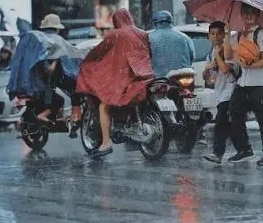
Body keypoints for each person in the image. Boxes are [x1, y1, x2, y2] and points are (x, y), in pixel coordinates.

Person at [75, 9, 155, 158]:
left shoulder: (115, 35)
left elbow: (98, 53)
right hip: (144, 77)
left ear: (116, 21)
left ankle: (106, 143)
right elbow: (149, 54)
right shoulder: (142, 33)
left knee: (104, 105)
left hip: (124, 80)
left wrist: (87, 62)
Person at [224, 3, 263, 166]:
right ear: (241, 15)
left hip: (261, 83)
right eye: (245, 13)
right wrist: (227, 33)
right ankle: (244, 150)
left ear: (256, 16)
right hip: (243, 83)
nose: (248, 16)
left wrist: (249, 65)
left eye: (252, 13)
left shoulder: (262, 34)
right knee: (234, 112)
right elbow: (228, 55)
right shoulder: (238, 36)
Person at [201, 21, 247, 164]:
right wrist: (207, 69)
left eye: (219, 33)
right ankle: (244, 149)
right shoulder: (210, 54)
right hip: (220, 94)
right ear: (209, 36)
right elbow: (208, 80)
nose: (215, 36)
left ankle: (218, 153)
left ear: (223, 35)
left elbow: (227, 69)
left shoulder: (229, 50)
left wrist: (218, 56)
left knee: (221, 123)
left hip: (231, 92)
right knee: (232, 124)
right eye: (212, 34)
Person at [148, 10, 195, 78]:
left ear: (155, 23)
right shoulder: (184, 37)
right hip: (182, 77)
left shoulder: (150, 38)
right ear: (170, 22)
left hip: (159, 79)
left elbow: (146, 59)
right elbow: (192, 56)